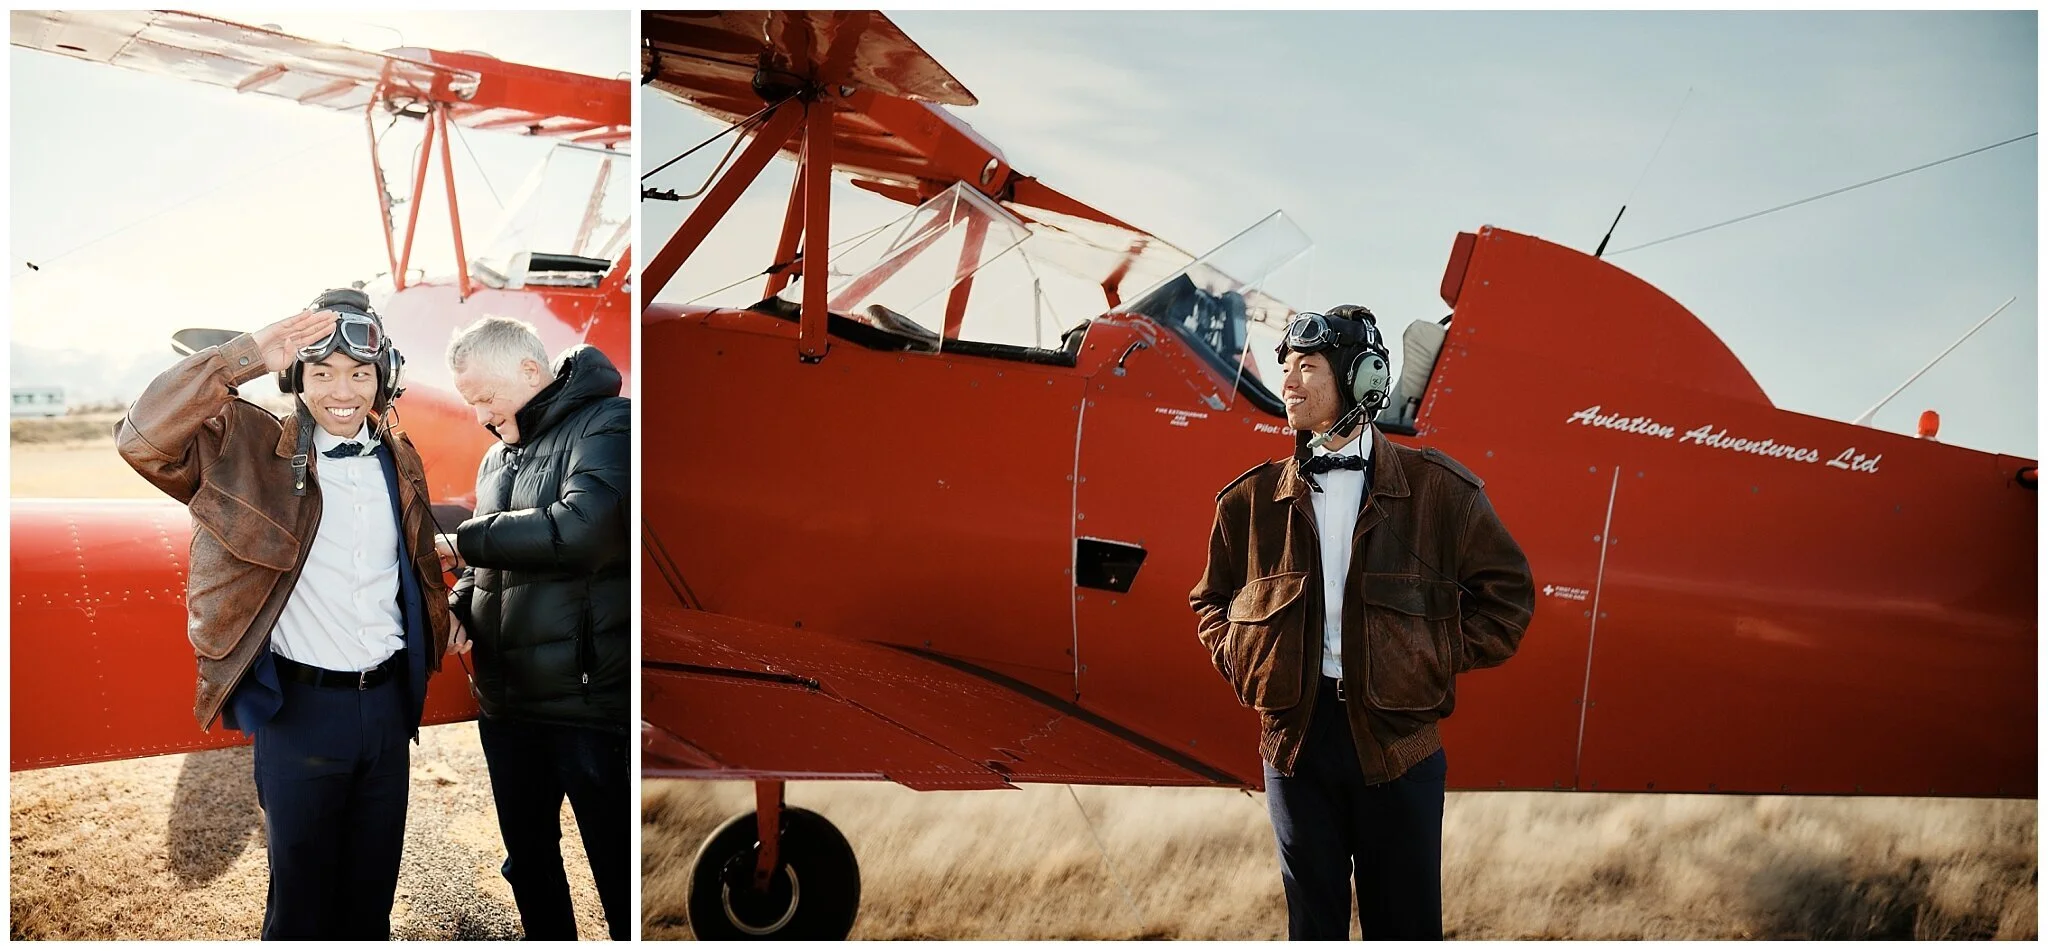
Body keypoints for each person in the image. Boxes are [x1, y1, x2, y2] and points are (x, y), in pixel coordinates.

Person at [116, 289, 458, 940]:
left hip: (387, 716)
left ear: (383, 378)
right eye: (321, 371)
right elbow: (143, 437)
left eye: (360, 373)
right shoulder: (247, 451)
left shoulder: (397, 456)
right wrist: (244, 356)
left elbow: (410, 566)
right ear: (295, 376)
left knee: (369, 911)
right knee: (299, 914)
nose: (342, 391)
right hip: (301, 716)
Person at [1189, 304, 1535, 940]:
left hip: (1399, 746)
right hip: (1294, 745)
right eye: (1285, 366)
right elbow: (1210, 600)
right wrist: (1245, 659)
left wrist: (1427, 654)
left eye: (1308, 367)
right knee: (1312, 929)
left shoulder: (1443, 492)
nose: (1288, 382)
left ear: (1361, 379)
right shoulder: (1249, 500)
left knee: (1403, 930)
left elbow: (1509, 599)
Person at [436, 316, 630, 940]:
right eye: (471, 402)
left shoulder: (611, 425)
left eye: (485, 398)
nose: (480, 415)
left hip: (586, 703)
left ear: (529, 370)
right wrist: (461, 604)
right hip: (506, 701)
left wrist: (463, 537)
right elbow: (485, 566)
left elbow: (583, 531)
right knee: (529, 863)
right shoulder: (496, 456)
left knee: (619, 865)